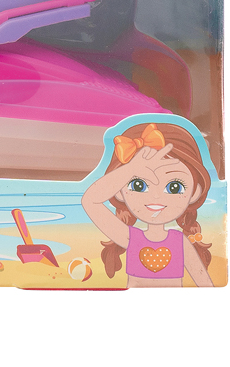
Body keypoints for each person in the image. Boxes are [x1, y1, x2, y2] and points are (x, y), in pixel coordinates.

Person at [81, 122, 213, 287]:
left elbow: (205, 284)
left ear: (195, 192)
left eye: (174, 187)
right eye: (138, 185)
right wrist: (130, 170)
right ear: (119, 191)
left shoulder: (180, 243)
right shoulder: (130, 238)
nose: (156, 196)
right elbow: (90, 201)